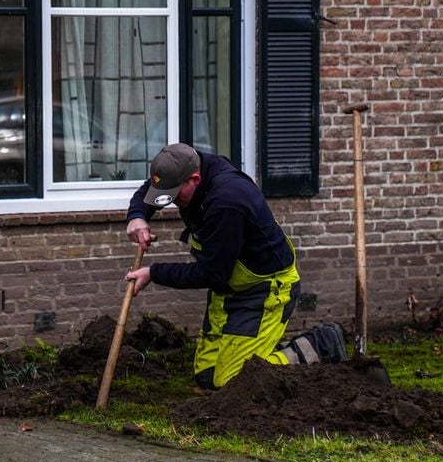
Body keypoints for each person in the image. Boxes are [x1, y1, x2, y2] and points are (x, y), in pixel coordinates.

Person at [123, 143, 346, 390]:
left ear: (194, 179)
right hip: (229, 289)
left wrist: (154, 273)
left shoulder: (227, 202)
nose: (172, 202)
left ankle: (321, 344)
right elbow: (155, 186)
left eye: (175, 196)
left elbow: (212, 273)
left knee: (234, 382)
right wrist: (137, 215)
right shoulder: (191, 164)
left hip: (264, 290)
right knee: (207, 376)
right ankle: (258, 354)